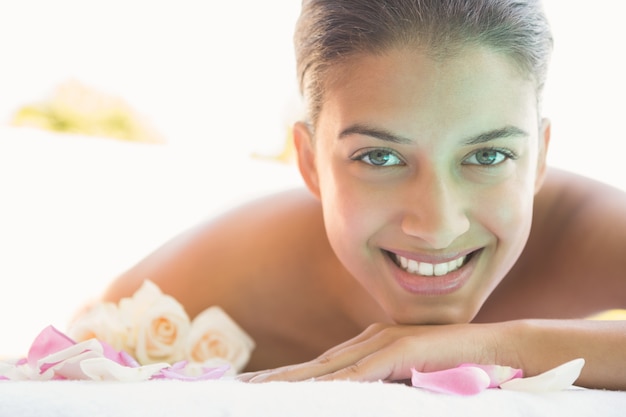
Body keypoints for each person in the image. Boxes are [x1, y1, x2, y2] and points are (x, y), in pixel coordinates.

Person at [99, 0, 626, 390]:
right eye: (380, 157)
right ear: (309, 161)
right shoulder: (205, 282)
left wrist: (503, 344)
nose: (438, 225)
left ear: (540, 157)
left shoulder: (583, 227)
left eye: (487, 156)